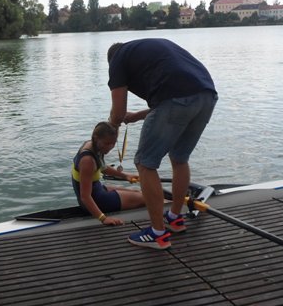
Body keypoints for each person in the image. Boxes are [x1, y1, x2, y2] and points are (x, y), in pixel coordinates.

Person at [107, 38, 217, 249]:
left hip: (178, 99)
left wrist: (111, 128)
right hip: (207, 96)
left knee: (145, 163)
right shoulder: (147, 50)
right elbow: (175, 100)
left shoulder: (117, 59)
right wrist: (137, 116)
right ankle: (174, 218)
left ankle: (158, 234)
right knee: (179, 158)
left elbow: (118, 113)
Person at [71, 121, 145, 225]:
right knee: (146, 199)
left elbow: (103, 167)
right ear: (96, 138)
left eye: (113, 143)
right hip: (97, 201)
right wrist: (103, 218)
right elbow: (85, 197)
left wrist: (126, 176)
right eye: (107, 143)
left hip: (98, 190)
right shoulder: (87, 160)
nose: (110, 147)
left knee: (138, 192)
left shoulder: (92, 145)